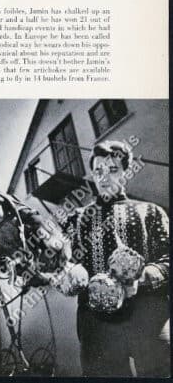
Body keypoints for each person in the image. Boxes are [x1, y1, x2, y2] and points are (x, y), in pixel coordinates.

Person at [63, 140, 169, 377]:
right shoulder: (77, 219)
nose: (104, 177)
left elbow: (168, 258)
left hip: (148, 313)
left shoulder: (150, 211)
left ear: (125, 173)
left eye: (113, 170)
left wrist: (141, 279)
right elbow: (62, 260)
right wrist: (69, 271)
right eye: (98, 171)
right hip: (96, 322)